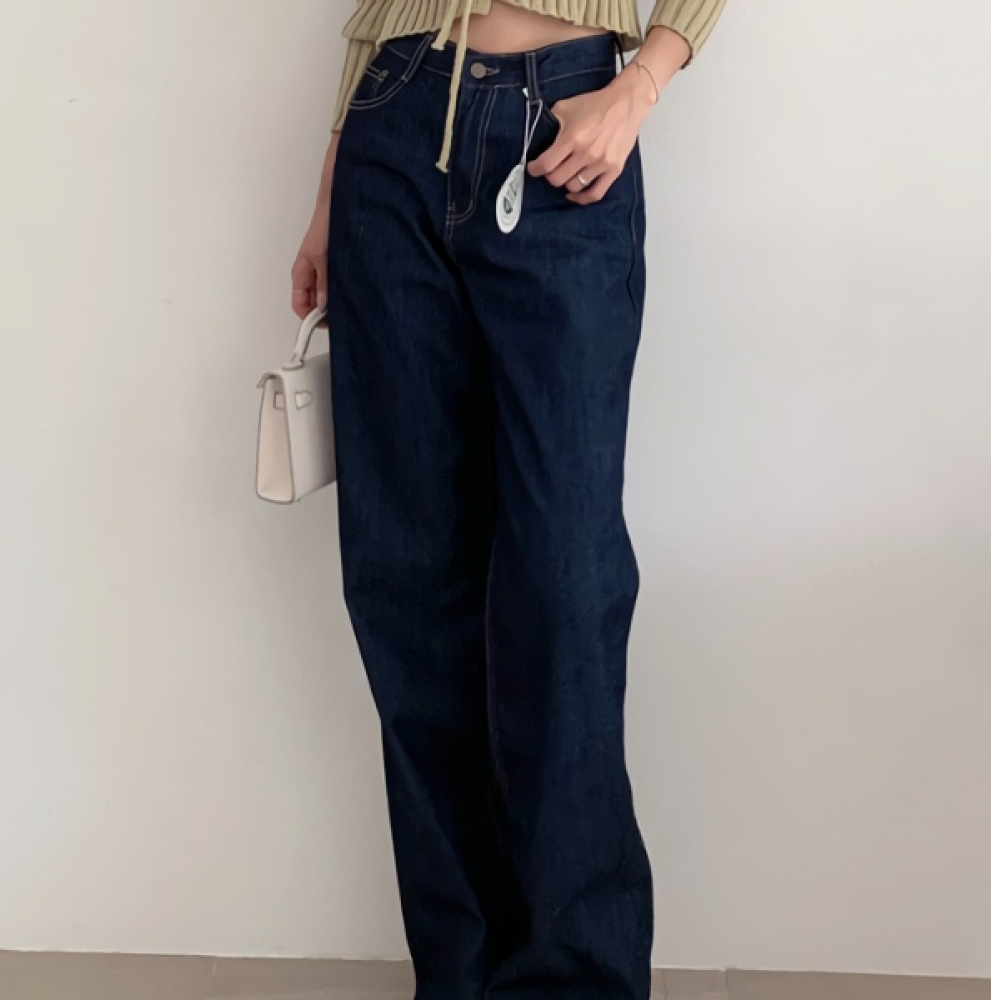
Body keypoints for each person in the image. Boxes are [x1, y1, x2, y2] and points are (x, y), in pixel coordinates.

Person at [293, 2, 725, 997]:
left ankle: (574, 977)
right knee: (406, 581)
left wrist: (639, 86)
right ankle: (459, 974)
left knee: (564, 584)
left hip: (565, 124)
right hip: (393, 120)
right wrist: (329, 189)